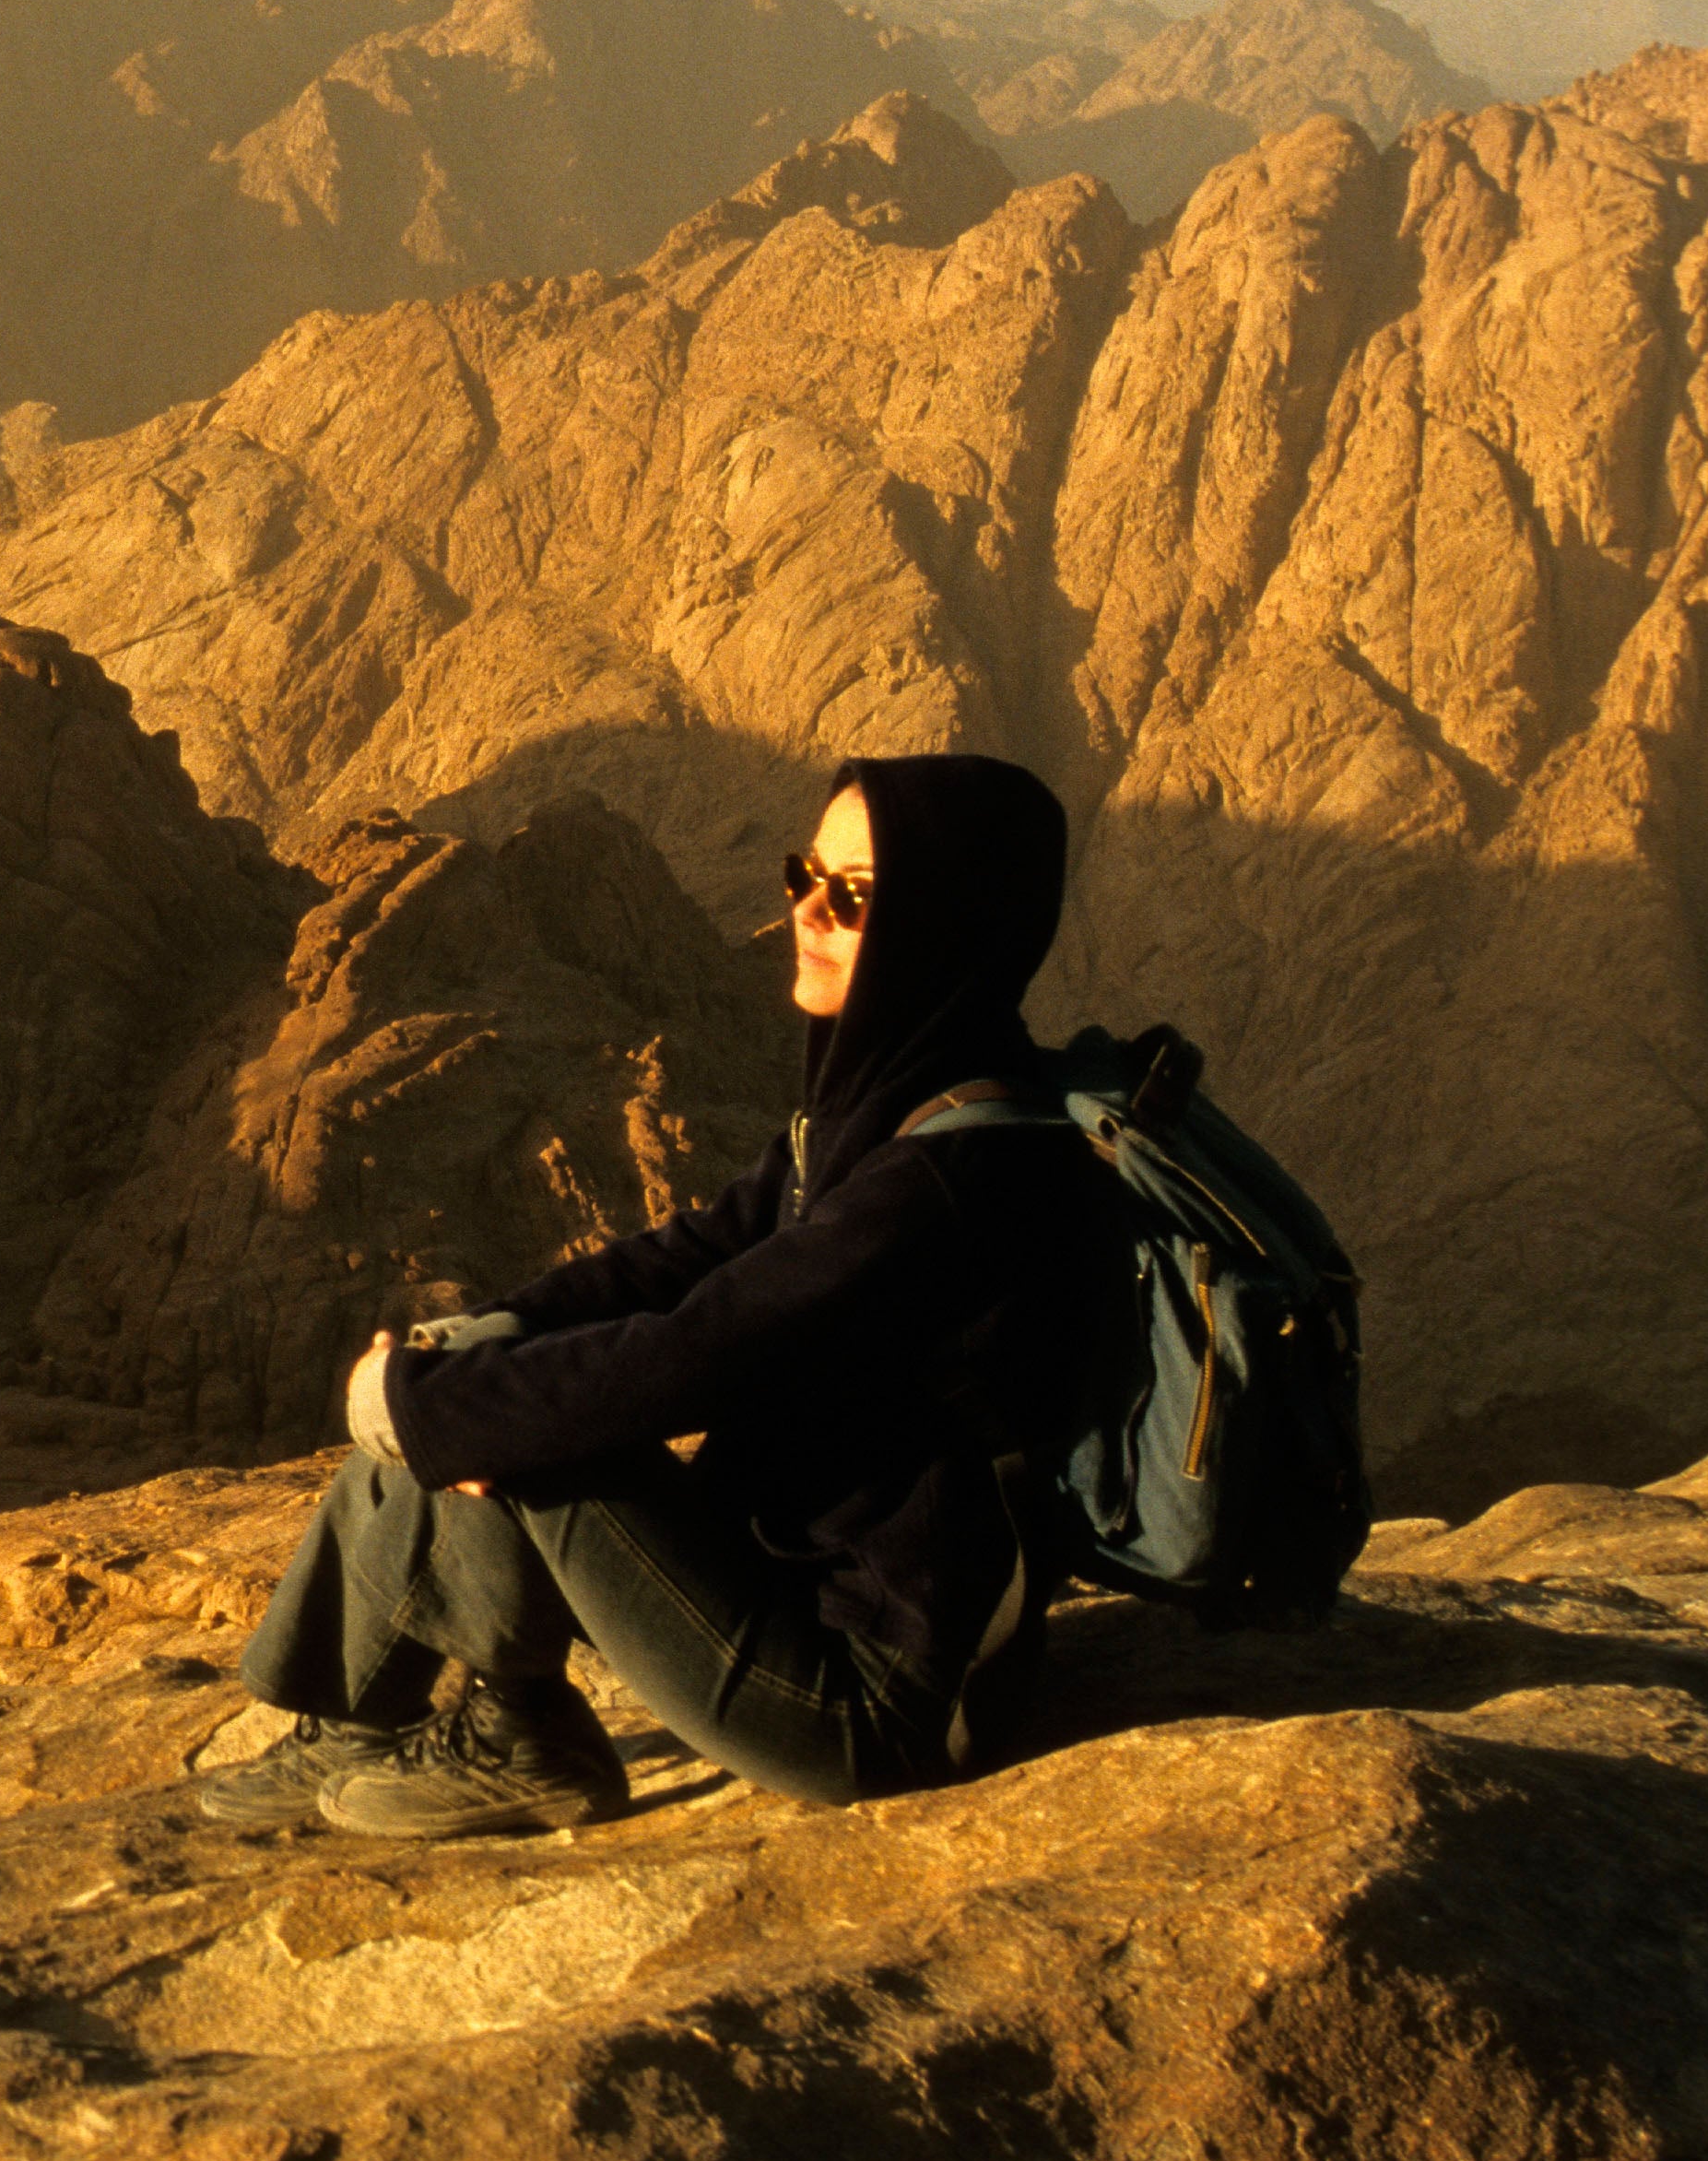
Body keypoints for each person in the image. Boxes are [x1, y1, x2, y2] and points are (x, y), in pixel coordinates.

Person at [198, 751, 1130, 1836]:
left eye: (856, 894)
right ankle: (351, 1715)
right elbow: (692, 1252)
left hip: (875, 1699)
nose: (809, 911)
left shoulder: (946, 1179)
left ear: (951, 921)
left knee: (517, 1422)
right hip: (780, 1586)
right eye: (802, 875)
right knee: (465, 1386)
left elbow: (699, 1350)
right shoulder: (892, 1108)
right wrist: (490, 1332)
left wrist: (429, 1405)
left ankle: (522, 1740)